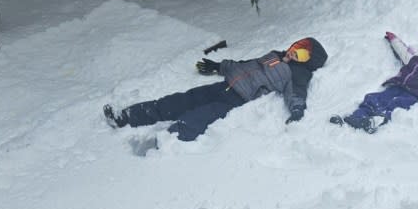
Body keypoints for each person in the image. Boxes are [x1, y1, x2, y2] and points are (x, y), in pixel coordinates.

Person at [104, 37, 328, 142]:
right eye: (296, 47)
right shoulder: (276, 55)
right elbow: (246, 65)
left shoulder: (297, 74)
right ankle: (126, 117)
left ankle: (166, 141)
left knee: (199, 117)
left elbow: (296, 94)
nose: (293, 53)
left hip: (238, 98)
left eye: (301, 54)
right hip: (225, 85)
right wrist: (219, 66)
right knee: (181, 100)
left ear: (307, 62)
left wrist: (297, 110)